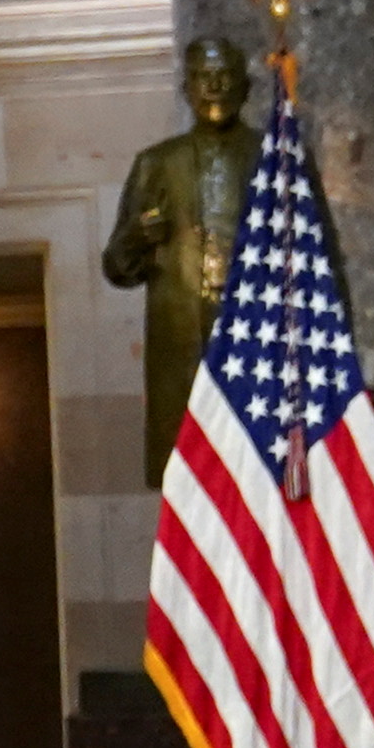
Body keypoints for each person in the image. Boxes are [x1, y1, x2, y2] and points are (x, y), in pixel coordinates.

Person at [99, 37, 260, 483]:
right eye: (203, 77)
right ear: (187, 88)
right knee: (195, 487)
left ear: (246, 87)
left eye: (225, 75)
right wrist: (138, 235)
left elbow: (320, 257)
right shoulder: (157, 163)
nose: (215, 86)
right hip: (184, 346)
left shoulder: (276, 158)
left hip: (258, 346)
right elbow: (116, 266)